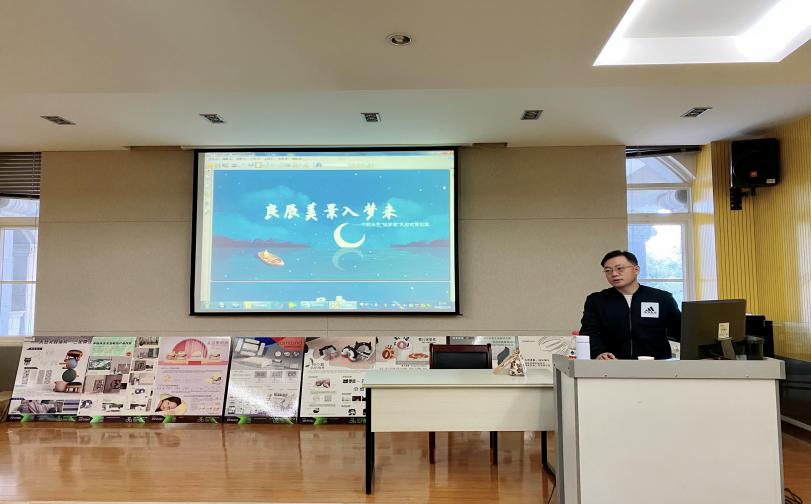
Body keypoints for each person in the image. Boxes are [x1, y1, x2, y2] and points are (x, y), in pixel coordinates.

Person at [579, 250, 680, 360]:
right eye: (608, 270)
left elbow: (680, 331)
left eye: (620, 268)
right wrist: (599, 353)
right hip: (611, 363)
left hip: (657, 364)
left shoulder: (662, 298)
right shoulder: (597, 300)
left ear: (636, 270)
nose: (614, 274)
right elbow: (589, 332)